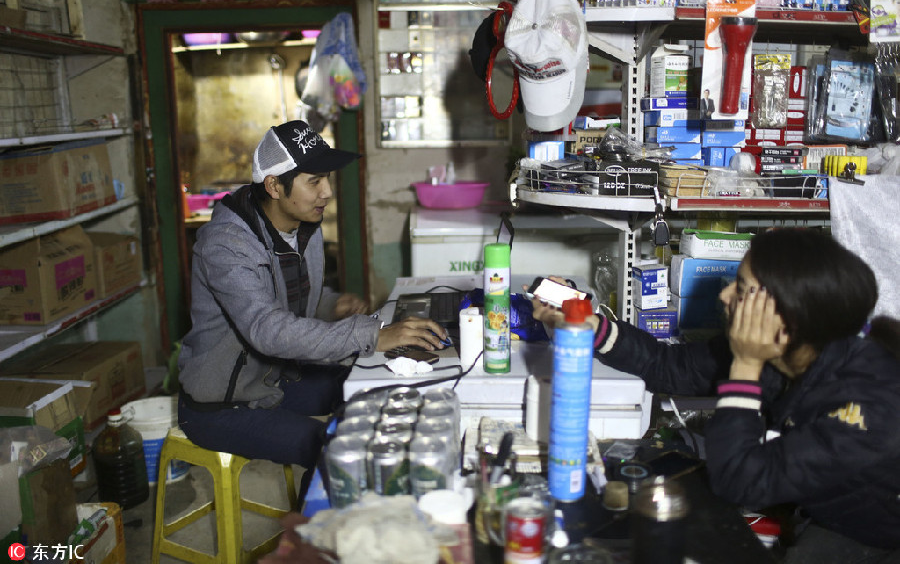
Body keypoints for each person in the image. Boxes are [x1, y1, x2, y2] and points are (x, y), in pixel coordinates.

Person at [532, 228, 900, 561]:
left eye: (740, 289)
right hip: (820, 505)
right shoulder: (790, 349)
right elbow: (668, 366)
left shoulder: (870, 406)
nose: (725, 294)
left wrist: (745, 366)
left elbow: (740, 479)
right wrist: (589, 324)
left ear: (786, 318)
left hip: (872, 536)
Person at [177, 120, 447, 501]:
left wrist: (330, 304)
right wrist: (371, 335)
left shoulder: (303, 224)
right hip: (221, 404)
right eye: (315, 181)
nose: (327, 193)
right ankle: (317, 541)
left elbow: (285, 298)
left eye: (327, 180)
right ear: (274, 185)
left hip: (272, 379)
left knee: (371, 393)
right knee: (338, 451)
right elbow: (266, 328)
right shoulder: (226, 245)